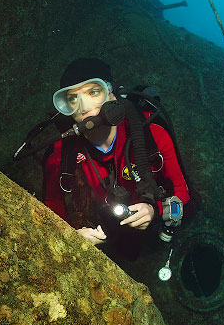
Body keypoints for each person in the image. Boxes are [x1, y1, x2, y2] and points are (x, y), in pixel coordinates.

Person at [42, 58, 190, 259]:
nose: (83, 107)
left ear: (112, 93)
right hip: (99, 223)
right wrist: (71, 235)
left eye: (93, 92)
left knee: (133, 253)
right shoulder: (60, 155)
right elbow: (52, 205)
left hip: (143, 222)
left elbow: (182, 191)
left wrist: (154, 210)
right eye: (73, 99)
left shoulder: (153, 135)